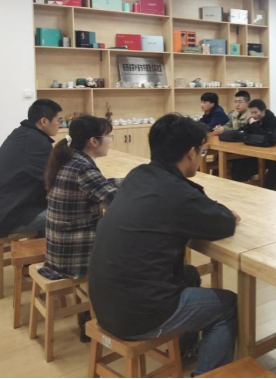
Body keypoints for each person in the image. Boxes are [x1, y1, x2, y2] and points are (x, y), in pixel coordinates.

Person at [89, 114, 240, 376]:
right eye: (202, 151)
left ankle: (182, 349)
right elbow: (224, 224)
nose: (201, 156)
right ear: (191, 152)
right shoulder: (178, 194)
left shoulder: (138, 175)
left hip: (105, 302)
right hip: (137, 315)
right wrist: (223, 212)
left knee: (189, 275)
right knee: (228, 305)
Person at [41, 115, 121, 342]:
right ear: (93, 141)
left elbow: (101, 185)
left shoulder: (71, 159)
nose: (110, 141)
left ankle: (91, 311)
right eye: (108, 136)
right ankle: (105, 318)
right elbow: (116, 201)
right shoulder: (83, 168)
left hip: (60, 246)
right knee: (132, 252)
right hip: (73, 254)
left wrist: (130, 180)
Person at [0, 99, 62, 238]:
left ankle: (43, 247)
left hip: (9, 204)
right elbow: (58, 177)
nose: (60, 124)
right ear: (44, 121)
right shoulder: (36, 142)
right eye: (59, 120)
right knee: (74, 214)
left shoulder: (22, 133)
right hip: (10, 213)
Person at [225, 99, 276, 182]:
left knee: (243, 165)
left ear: (263, 111)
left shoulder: (273, 121)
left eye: (255, 112)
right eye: (252, 113)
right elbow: (245, 129)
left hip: (267, 155)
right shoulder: (255, 119)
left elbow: (265, 136)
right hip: (254, 152)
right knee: (237, 161)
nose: (253, 115)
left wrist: (253, 124)